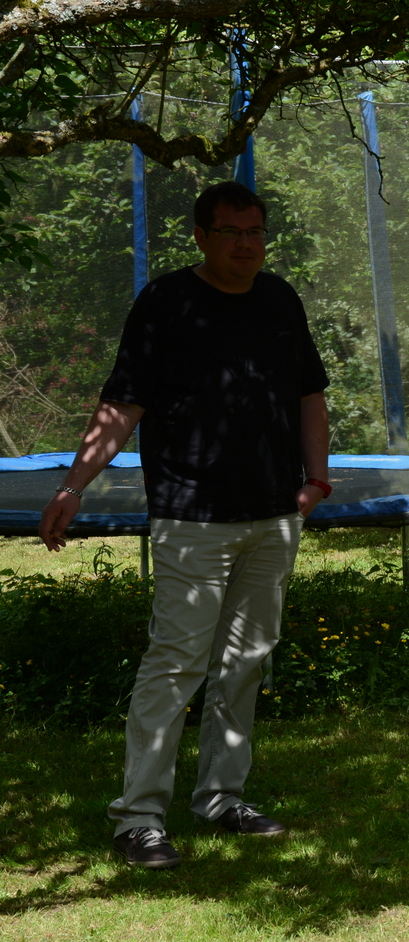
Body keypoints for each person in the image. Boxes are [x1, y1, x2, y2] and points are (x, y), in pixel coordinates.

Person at [38, 181, 332, 870]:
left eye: (255, 231)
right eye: (231, 232)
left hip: (273, 516)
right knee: (176, 663)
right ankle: (139, 818)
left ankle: (222, 797)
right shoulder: (167, 302)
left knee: (246, 661)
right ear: (201, 236)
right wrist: (73, 485)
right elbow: (123, 404)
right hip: (192, 516)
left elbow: (309, 395)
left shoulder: (280, 299)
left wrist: (316, 480)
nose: (246, 244)